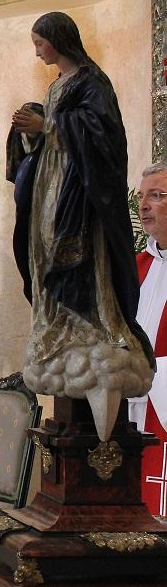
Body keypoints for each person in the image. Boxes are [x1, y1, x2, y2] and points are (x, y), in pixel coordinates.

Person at [7, 11, 153, 442]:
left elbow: (103, 135)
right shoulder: (56, 86)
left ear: (58, 40)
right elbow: (52, 135)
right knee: (47, 253)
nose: (37, 50)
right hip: (51, 185)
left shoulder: (93, 81)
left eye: (40, 42)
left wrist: (49, 124)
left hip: (80, 194)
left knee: (76, 257)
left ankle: (94, 325)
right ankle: (58, 324)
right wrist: (29, 132)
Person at [131, 162, 167, 516]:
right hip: (134, 410)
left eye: (157, 196)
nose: (144, 206)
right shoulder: (136, 265)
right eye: (143, 197)